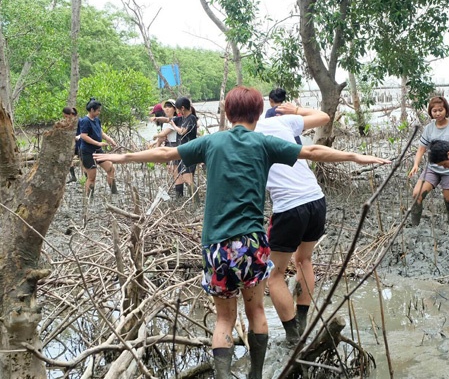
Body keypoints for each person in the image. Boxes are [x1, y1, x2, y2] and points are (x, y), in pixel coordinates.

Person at [94, 86, 391, 379]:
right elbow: (312, 150)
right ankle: (256, 375)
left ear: (227, 112)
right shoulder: (263, 142)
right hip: (251, 243)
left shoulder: (211, 142)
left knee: (224, 319)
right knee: (257, 312)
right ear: (259, 112)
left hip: (216, 245)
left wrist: (122, 158)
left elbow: (165, 152)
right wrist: (356, 157)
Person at [255, 102, 329, 345]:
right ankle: (303, 320)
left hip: (289, 207)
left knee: (274, 273)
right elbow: (323, 116)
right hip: (316, 199)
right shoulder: (284, 123)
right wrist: (296, 110)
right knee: (303, 260)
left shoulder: (250, 134)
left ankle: (293, 337)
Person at [408, 96, 449, 226]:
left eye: (440, 110)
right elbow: (421, 149)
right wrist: (416, 164)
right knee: (416, 195)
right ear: (431, 112)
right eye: (434, 111)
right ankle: (414, 227)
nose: (438, 113)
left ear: (446, 110)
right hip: (432, 168)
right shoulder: (429, 128)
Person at [78, 98, 118, 197]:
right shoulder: (85, 121)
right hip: (87, 152)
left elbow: (100, 132)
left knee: (110, 168)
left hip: (98, 151)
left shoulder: (96, 120)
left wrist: (110, 140)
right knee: (92, 177)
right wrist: (98, 143)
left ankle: (114, 192)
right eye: (98, 110)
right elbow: (83, 136)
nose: (99, 112)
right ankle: (88, 198)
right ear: (92, 110)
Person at [167, 96, 198, 199]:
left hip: (190, 152)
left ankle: (196, 203)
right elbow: (169, 119)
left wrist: (174, 126)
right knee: (184, 177)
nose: (177, 111)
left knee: (187, 178)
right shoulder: (182, 118)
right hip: (183, 152)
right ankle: (194, 202)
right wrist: (157, 118)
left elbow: (182, 131)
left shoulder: (191, 118)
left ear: (183, 108)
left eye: (178, 109)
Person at [62, 107, 80, 183]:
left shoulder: (80, 121)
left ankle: (86, 177)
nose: (65, 118)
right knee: (69, 158)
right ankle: (73, 176)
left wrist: (78, 137)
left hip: (80, 143)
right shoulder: (68, 123)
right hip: (72, 144)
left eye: (66, 116)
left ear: (71, 114)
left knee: (83, 160)